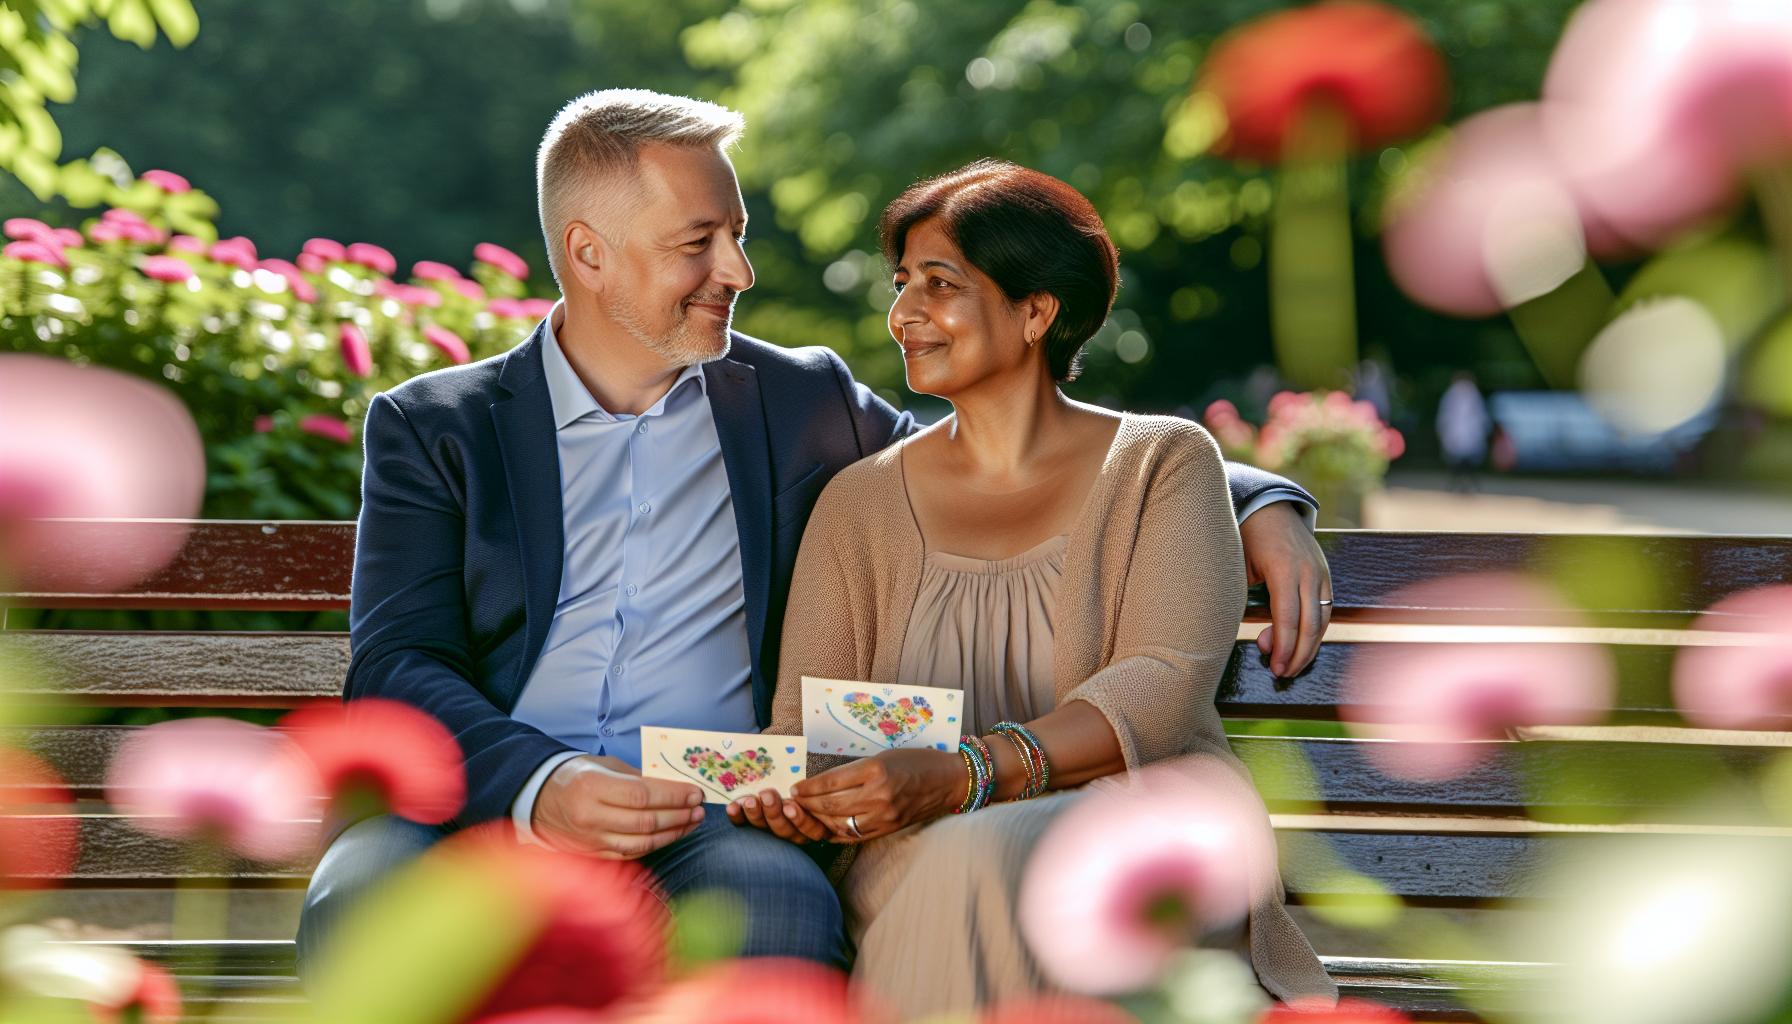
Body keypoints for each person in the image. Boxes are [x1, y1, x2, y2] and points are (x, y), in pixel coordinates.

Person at [297, 90, 1333, 979]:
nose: (738, 269)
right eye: (698, 242)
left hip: (711, 817)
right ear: (589, 254)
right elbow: (397, 662)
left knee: (782, 913)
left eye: (735, 232)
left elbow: (1020, 449)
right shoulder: (437, 425)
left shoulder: (796, 404)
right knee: (359, 902)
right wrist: (542, 783)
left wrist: (1250, 501)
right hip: (486, 802)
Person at [739, 160, 1337, 1015]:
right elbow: (806, 722)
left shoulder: (1161, 463)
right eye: (901, 283)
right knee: (949, 867)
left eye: (938, 285)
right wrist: (794, 793)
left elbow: (1162, 683)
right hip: (914, 847)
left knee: (974, 864)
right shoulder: (858, 501)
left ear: (1036, 311)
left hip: (1141, 829)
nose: (903, 314)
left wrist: (967, 773)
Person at [1437, 371, 1490, 492]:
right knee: (1464, 462)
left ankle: (1461, 485)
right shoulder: (1470, 395)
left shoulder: (1453, 395)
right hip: (1463, 435)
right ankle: (1464, 485)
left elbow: (1444, 417)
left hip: (1463, 435)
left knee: (1462, 462)